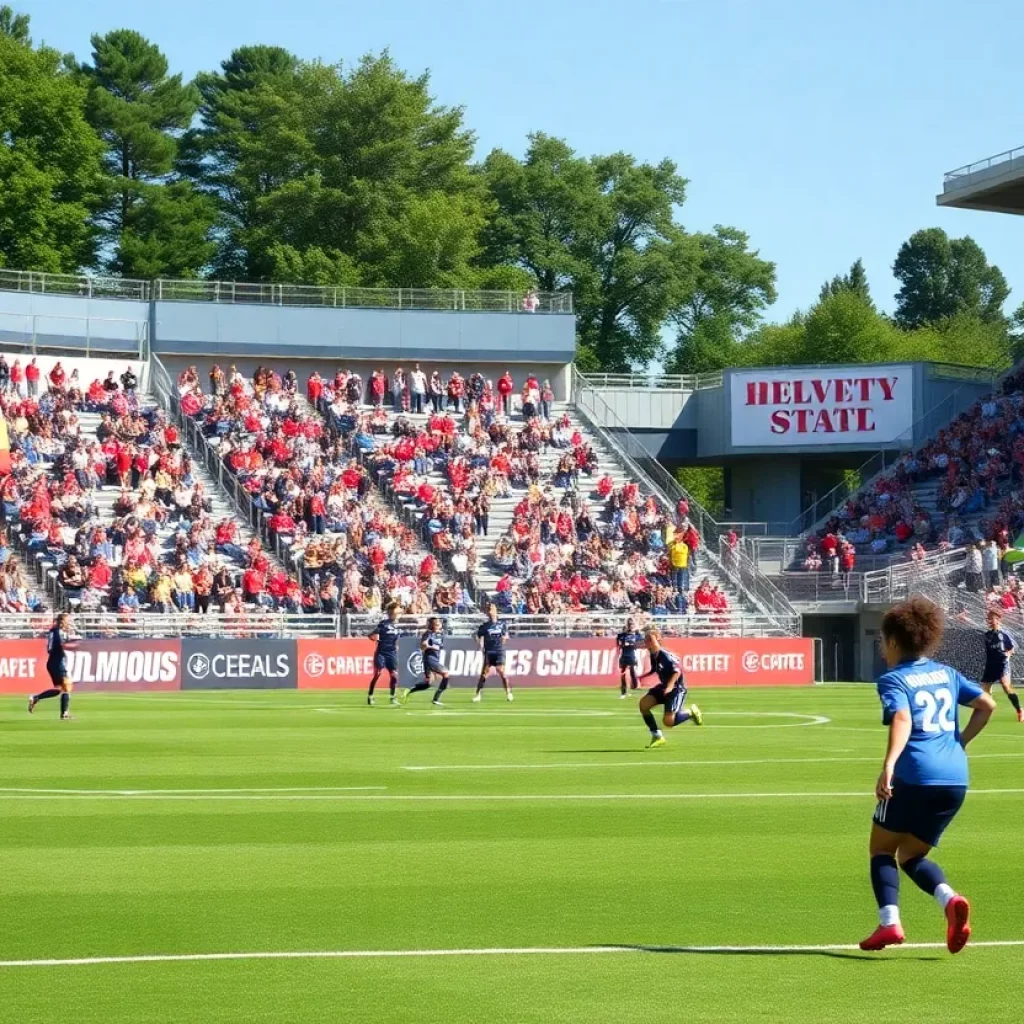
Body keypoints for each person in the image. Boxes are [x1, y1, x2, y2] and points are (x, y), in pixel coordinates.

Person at [858, 597, 996, 954]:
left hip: (914, 776)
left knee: (881, 850)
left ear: (892, 642)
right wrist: (959, 742)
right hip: (954, 780)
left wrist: (889, 764)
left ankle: (890, 924)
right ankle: (949, 901)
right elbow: (987, 705)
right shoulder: (946, 673)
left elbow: (902, 719)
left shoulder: (893, 679)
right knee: (912, 856)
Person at [637, 626, 702, 748]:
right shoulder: (653, 655)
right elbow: (654, 669)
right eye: (646, 639)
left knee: (668, 722)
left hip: (677, 689)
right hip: (664, 686)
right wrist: (643, 676)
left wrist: (670, 686)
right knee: (643, 705)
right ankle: (657, 736)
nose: (647, 642)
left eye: (650, 639)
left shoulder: (664, 655)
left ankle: (691, 713)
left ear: (658, 640)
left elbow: (676, 671)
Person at [28, 613, 79, 720]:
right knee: (67, 687)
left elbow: (51, 647)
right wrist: (73, 646)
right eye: (66, 620)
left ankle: (36, 698)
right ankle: (64, 714)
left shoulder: (53, 631)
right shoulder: (57, 632)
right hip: (57, 662)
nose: (67, 623)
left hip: (53, 662)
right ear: (61, 621)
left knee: (59, 688)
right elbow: (61, 645)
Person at [981, 608, 1023, 722]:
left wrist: (1007, 656)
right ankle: (989, 709)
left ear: (998, 619)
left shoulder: (1004, 635)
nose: (990, 620)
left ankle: (1019, 709)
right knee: (984, 690)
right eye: (989, 618)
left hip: (1002, 664)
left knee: (1005, 686)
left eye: (993, 618)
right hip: (990, 665)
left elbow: (1012, 649)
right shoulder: (986, 635)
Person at [401, 616, 450, 706]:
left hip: (435, 658)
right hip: (429, 659)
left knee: (428, 683)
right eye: (437, 624)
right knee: (446, 674)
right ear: (432, 625)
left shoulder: (440, 634)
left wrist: (435, 647)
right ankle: (436, 698)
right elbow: (423, 646)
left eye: (440, 624)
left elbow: (440, 646)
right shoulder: (428, 634)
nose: (439, 625)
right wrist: (429, 646)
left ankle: (409, 690)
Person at [473, 602, 512, 702]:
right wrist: (480, 644)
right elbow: (476, 635)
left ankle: (508, 693)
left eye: (491, 609)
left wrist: (504, 638)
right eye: (488, 609)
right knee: (484, 674)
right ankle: (478, 695)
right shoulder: (484, 626)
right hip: (489, 651)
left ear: (495, 611)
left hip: (499, 650)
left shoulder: (502, 625)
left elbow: (506, 636)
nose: (490, 611)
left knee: (502, 672)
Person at [367, 601, 402, 706]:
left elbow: (396, 640)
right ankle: (370, 695)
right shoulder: (383, 624)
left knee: (394, 676)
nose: (399, 613)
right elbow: (372, 634)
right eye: (397, 611)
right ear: (392, 612)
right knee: (378, 673)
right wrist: (374, 638)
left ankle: (392, 697)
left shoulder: (397, 626)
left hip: (392, 653)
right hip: (381, 652)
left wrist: (397, 646)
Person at [616, 616, 644, 698]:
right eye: (629, 625)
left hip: (632, 655)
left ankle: (634, 687)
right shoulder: (622, 635)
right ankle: (623, 692)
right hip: (624, 655)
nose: (630, 626)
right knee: (623, 674)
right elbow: (619, 644)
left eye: (632, 624)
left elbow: (641, 643)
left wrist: (633, 644)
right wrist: (623, 644)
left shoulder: (637, 635)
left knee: (632, 671)